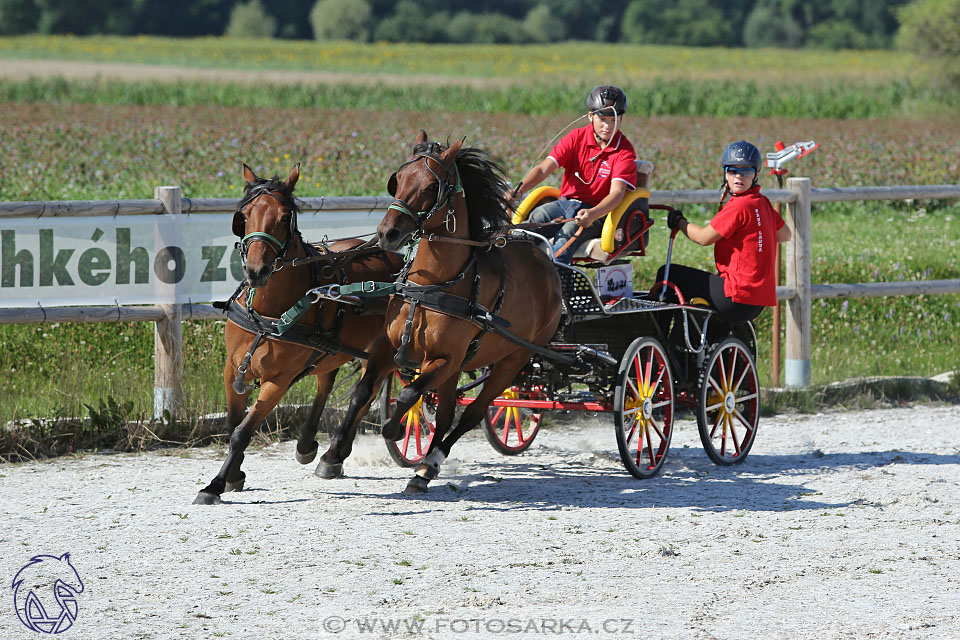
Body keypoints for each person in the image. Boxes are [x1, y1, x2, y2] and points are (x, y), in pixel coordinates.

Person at [654, 140, 792, 322]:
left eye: (746, 171)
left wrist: (680, 222)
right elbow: (785, 234)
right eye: (732, 170)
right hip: (757, 303)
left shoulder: (739, 206)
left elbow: (704, 238)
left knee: (669, 273)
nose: (738, 177)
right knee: (701, 287)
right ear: (725, 173)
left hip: (736, 296)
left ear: (756, 174)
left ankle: (657, 337)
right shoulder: (762, 202)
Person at [510, 85, 638, 264]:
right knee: (536, 219)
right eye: (602, 119)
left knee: (568, 233)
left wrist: (592, 214)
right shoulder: (575, 137)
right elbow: (543, 169)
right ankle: (515, 270)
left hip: (597, 213)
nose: (608, 126)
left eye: (613, 120)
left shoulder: (624, 151)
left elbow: (617, 194)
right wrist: (517, 191)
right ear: (590, 116)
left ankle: (556, 283)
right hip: (565, 204)